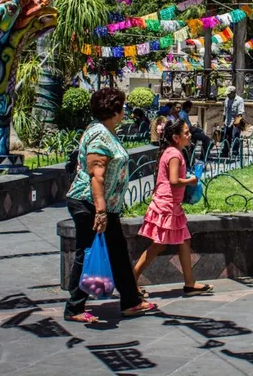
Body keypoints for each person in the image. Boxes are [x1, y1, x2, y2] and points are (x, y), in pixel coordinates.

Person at [64, 88, 157, 323]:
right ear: (114, 110)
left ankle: (130, 302)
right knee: (86, 251)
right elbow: (97, 175)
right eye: (122, 107)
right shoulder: (99, 135)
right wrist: (101, 211)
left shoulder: (107, 132)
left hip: (106, 206)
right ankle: (74, 308)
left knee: (117, 251)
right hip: (89, 203)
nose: (124, 111)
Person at [133, 118, 213, 297]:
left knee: (184, 241)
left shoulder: (171, 152)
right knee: (158, 245)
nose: (189, 135)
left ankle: (190, 283)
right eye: (186, 133)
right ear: (176, 138)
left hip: (171, 205)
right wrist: (191, 181)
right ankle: (132, 280)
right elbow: (174, 181)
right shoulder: (175, 155)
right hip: (166, 205)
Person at [221, 86, 245, 158]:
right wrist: (223, 122)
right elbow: (225, 112)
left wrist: (236, 124)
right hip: (227, 121)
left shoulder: (239, 100)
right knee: (226, 137)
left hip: (236, 121)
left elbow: (240, 113)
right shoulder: (226, 100)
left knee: (235, 136)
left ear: (233, 93)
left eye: (229, 94)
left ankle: (235, 152)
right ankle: (225, 151)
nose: (228, 95)